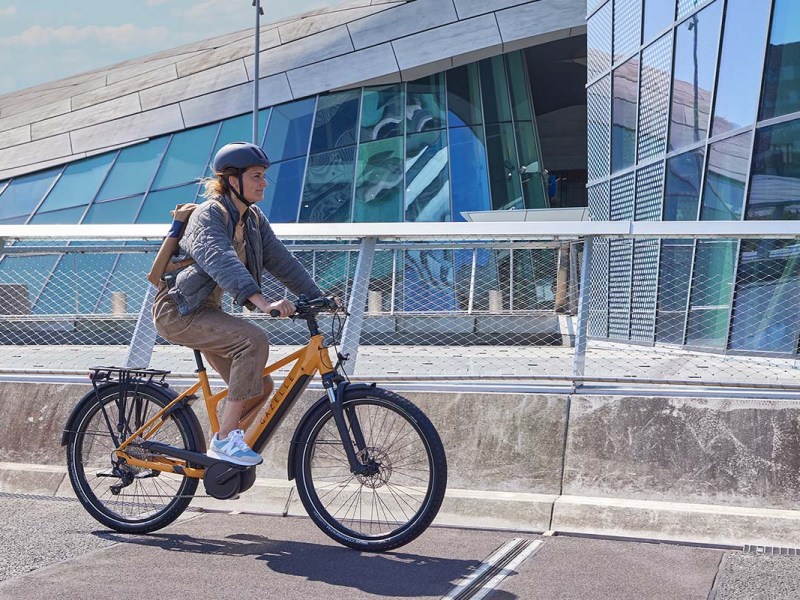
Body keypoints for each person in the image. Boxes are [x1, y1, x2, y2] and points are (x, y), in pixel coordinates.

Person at [152, 141, 324, 467]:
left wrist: (318, 297)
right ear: (234, 180)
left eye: (264, 176)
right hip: (178, 310)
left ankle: (222, 455)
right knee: (253, 340)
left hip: (205, 312)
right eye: (257, 176)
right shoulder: (209, 215)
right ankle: (225, 441)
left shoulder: (254, 220)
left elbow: (282, 262)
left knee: (259, 386)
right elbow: (222, 259)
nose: (264, 183)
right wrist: (260, 301)